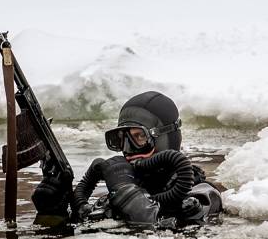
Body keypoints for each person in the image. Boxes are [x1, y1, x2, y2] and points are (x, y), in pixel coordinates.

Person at [31, 91, 222, 227]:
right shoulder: (118, 194)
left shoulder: (203, 194)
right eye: (121, 139)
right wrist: (53, 214)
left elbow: (151, 229)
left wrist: (125, 191)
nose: (128, 149)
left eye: (139, 137)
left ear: (164, 138)